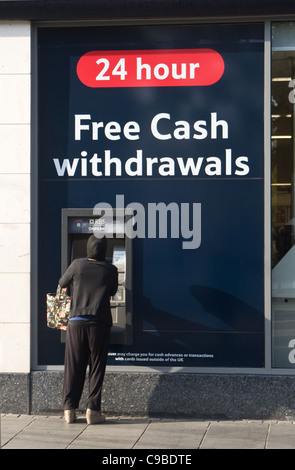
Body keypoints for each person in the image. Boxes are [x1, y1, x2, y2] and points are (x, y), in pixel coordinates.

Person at [59, 234, 118, 424]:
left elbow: (62, 283)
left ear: (89, 248)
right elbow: (113, 291)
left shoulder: (77, 264)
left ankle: (69, 410)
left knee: (73, 367)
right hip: (99, 323)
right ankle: (92, 410)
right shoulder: (111, 269)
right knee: (96, 367)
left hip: (76, 322)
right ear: (104, 250)